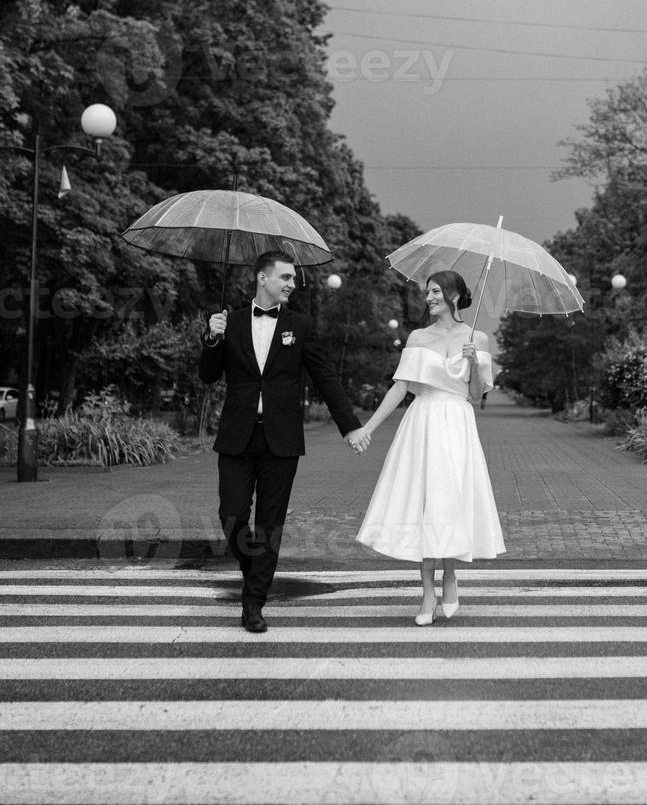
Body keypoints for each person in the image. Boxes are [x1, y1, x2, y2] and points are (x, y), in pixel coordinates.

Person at [199, 250, 369, 633]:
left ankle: (253, 602)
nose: (292, 284)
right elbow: (208, 376)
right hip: (237, 435)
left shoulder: (301, 326)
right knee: (231, 515)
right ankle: (255, 574)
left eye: (293, 278)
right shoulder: (232, 322)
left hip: (282, 439)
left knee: (269, 524)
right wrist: (212, 338)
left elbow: (325, 377)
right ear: (262, 278)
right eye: (286, 277)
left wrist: (350, 426)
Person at [353, 270, 506, 625]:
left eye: (436, 291)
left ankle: (450, 576)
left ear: (454, 296)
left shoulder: (476, 338)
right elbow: (399, 388)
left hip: (457, 424)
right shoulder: (418, 337)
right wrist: (369, 428)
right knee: (424, 502)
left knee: (448, 502)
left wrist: (472, 361)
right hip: (422, 423)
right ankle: (426, 592)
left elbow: (476, 393)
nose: (429, 298)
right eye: (427, 292)